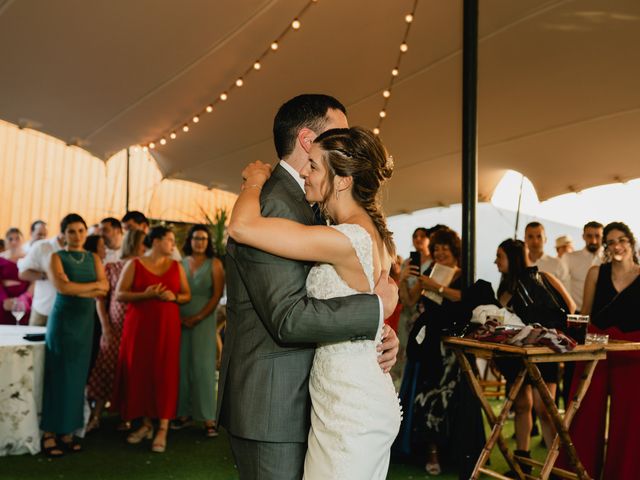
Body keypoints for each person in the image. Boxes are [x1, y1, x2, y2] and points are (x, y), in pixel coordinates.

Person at [218, 94, 399, 480]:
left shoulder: (334, 222)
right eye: (337, 134)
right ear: (306, 140)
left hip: (334, 401)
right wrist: (374, 315)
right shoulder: (274, 201)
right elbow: (288, 317)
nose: (342, 144)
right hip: (276, 402)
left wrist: (379, 327)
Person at [558, 222, 640, 479]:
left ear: (631, 243)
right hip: (596, 348)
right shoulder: (596, 273)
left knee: (629, 417)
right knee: (585, 412)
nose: (617, 246)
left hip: (632, 351)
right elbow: (585, 315)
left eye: (622, 240)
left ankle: (625, 474)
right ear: (605, 247)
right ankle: (577, 472)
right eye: (611, 241)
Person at [493, 238, 575, 475]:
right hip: (516, 354)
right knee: (521, 405)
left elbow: (570, 306)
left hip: (544, 352)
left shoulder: (545, 278)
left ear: (513, 257)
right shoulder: (505, 288)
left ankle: (555, 467)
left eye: (500, 256)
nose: (496, 261)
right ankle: (523, 462)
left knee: (544, 408)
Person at [112, 226, 191, 453]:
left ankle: (163, 427)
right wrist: (144, 295)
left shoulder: (176, 266)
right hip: (139, 327)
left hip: (166, 327)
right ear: (155, 241)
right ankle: (145, 423)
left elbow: (187, 295)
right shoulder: (134, 264)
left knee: (165, 372)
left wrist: (173, 296)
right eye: (168, 240)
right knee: (141, 371)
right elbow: (119, 294)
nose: (172, 245)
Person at [40, 213, 109, 457]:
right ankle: (50, 432)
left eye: (81, 231)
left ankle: (67, 431)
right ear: (63, 235)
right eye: (72, 231)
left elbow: (105, 287)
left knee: (77, 379)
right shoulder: (55, 257)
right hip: (63, 322)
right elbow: (63, 287)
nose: (77, 235)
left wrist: (78, 290)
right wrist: (90, 289)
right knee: (58, 375)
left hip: (84, 323)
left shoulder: (93, 257)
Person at [86, 229, 146, 433]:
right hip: (113, 326)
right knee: (105, 367)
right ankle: (96, 416)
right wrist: (105, 327)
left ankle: (126, 416)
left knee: (130, 370)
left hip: (136, 328)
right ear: (136, 245)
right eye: (143, 243)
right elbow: (100, 300)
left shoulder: (145, 268)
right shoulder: (112, 267)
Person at [170, 225, 225, 437]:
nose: (199, 242)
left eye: (203, 238)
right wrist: (180, 317)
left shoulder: (215, 264)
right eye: (195, 238)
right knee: (181, 366)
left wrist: (199, 317)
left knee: (203, 367)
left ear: (208, 242)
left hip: (204, 319)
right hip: (180, 319)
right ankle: (182, 413)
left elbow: (217, 295)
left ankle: (208, 418)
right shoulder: (180, 263)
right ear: (189, 241)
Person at [559, 221, 603, 407]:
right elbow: (561, 284)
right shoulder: (570, 258)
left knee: (598, 368)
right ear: (583, 236)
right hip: (577, 316)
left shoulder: (609, 259)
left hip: (602, 318)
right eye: (589, 235)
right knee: (572, 365)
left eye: (597, 235)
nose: (593, 239)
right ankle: (568, 409)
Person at [17, 230, 65, 326]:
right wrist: (48, 275)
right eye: (71, 231)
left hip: (68, 311)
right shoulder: (42, 246)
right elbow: (22, 273)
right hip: (43, 308)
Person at [524, 222, 569, 288]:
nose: (535, 241)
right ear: (525, 239)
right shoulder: (518, 264)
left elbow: (566, 292)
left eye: (539, 236)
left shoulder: (558, 264)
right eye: (530, 236)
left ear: (545, 239)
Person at [0, 255, 33, 325]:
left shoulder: (30, 256)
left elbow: (35, 280)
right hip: (4, 304)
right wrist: (3, 298)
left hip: (26, 304)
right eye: (10, 242)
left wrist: (25, 298)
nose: (14, 243)